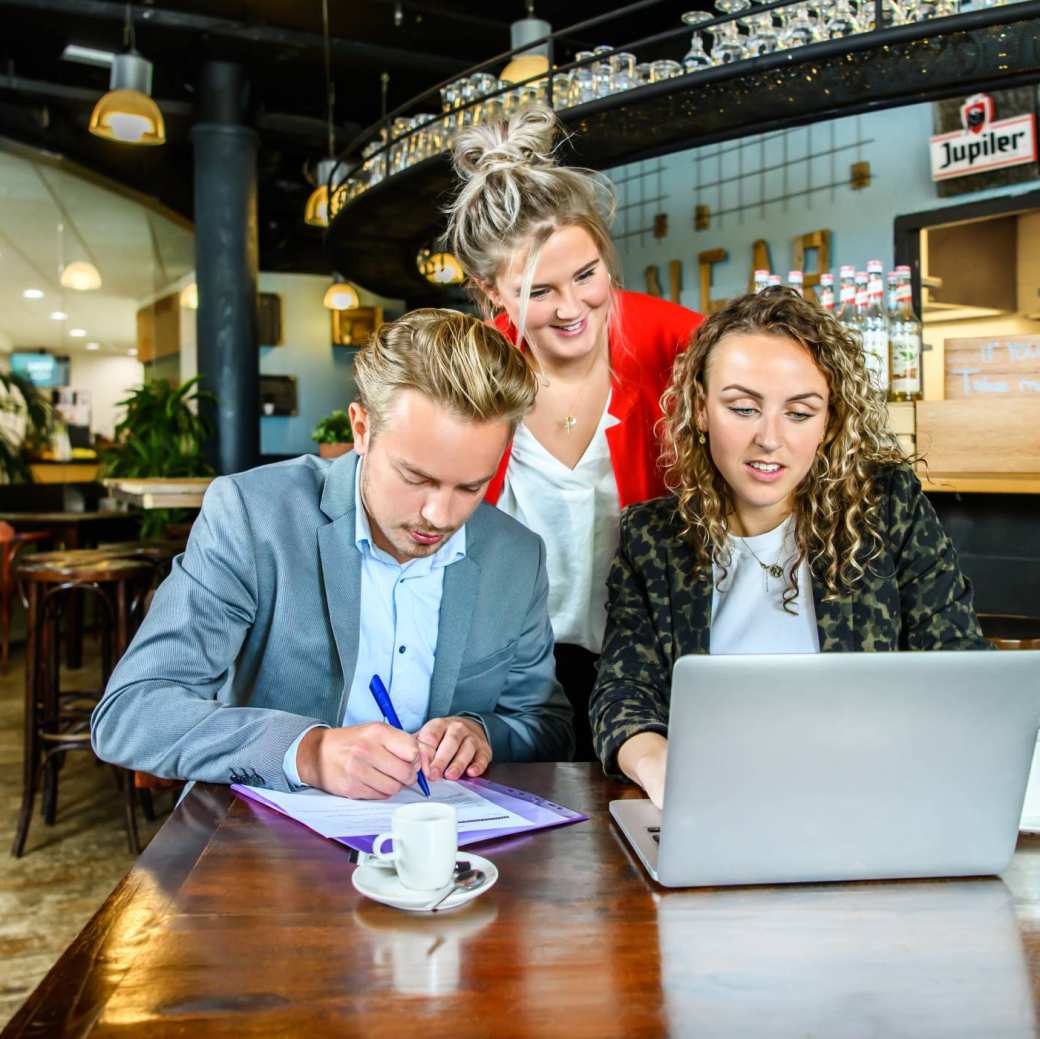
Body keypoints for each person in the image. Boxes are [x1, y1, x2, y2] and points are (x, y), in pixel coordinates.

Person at [92, 309, 573, 798]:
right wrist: (310, 752)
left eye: (471, 486)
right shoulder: (254, 515)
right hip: (270, 851)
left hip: (449, 848)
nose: (439, 515)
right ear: (360, 429)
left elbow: (546, 724)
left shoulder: (516, 556)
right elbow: (132, 711)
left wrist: (483, 733)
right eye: (415, 478)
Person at [589, 287, 990, 808]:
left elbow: (960, 668)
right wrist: (658, 764)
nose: (769, 439)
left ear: (828, 423)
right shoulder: (653, 538)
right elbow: (621, 694)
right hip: (715, 802)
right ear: (700, 409)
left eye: (799, 413)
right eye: (743, 408)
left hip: (871, 798)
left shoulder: (886, 508)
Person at [446, 103, 703, 760]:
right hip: (509, 676)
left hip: (649, 669)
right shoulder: (470, 372)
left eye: (587, 275)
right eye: (538, 291)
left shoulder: (681, 342)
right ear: (489, 291)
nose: (571, 309)